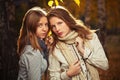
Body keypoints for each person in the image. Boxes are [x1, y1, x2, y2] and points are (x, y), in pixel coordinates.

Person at [47, 6, 109, 80]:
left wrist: (83, 51)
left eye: (60, 23)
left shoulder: (89, 37)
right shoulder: (55, 48)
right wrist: (68, 74)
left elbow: (104, 65)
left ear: (68, 21)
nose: (57, 29)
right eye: (53, 26)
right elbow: (53, 78)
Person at [17, 6, 49, 80]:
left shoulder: (38, 46)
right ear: (31, 27)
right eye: (40, 25)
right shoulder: (32, 52)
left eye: (46, 24)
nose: (45, 29)